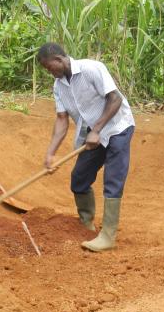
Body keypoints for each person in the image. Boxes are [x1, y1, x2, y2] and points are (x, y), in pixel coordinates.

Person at [38, 42, 135, 252]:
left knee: (112, 180)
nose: (49, 72)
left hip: (117, 128)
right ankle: (86, 224)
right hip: (93, 134)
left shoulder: (92, 68)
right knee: (79, 178)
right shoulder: (59, 86)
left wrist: (97, 129)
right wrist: (51, 153)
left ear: (59, 59)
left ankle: (107, 237)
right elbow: (62, 120)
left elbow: (115, 98)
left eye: (49, 67)